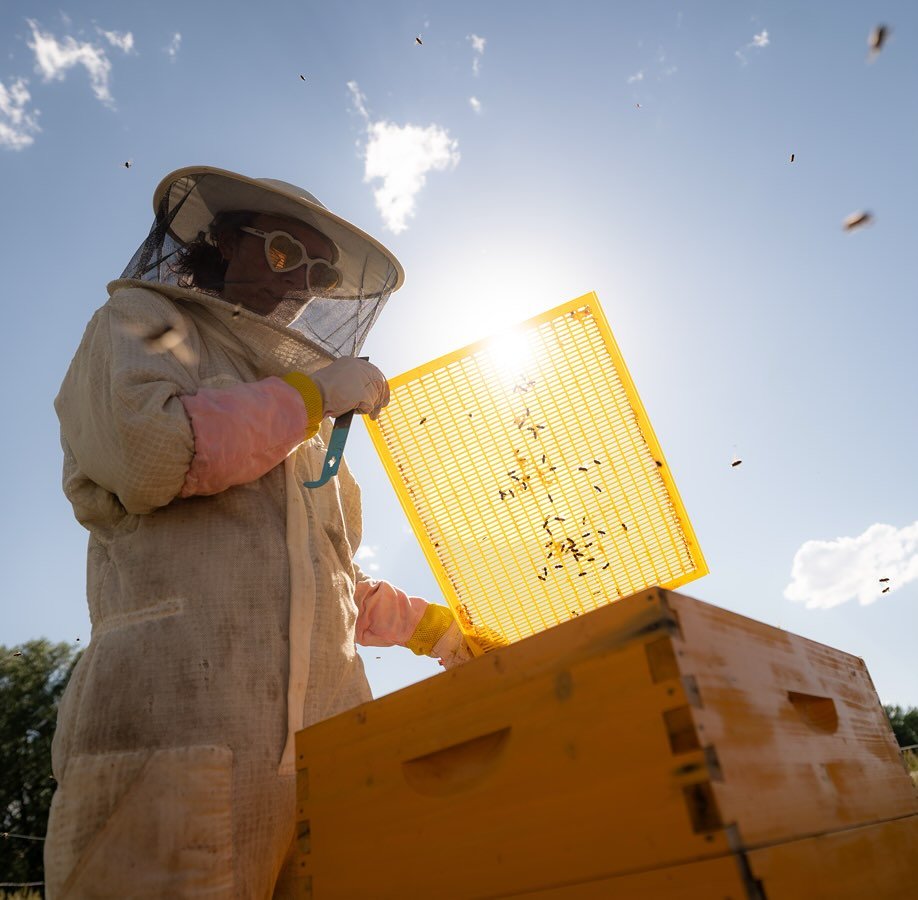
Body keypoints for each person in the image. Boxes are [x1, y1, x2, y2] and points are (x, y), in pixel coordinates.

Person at [44, 166, 471, 898]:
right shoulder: (141, 326)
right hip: (170, 751)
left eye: (314, 273)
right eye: (280, 254)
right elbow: (153, 455)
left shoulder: (303, 430)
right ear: (222, 242)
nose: (295, 284)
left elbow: (320, 583)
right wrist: (311, 396)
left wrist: (435, 628)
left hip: (328, 763)